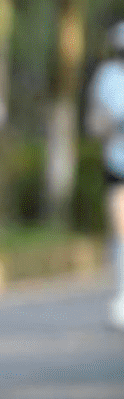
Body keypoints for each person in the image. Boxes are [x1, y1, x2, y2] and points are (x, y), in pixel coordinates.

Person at [84, 20, 124, 330]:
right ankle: (122, 294)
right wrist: (111, 123)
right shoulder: (109, 78)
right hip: (118, 165)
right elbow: (94, 124)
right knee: (121, 231)